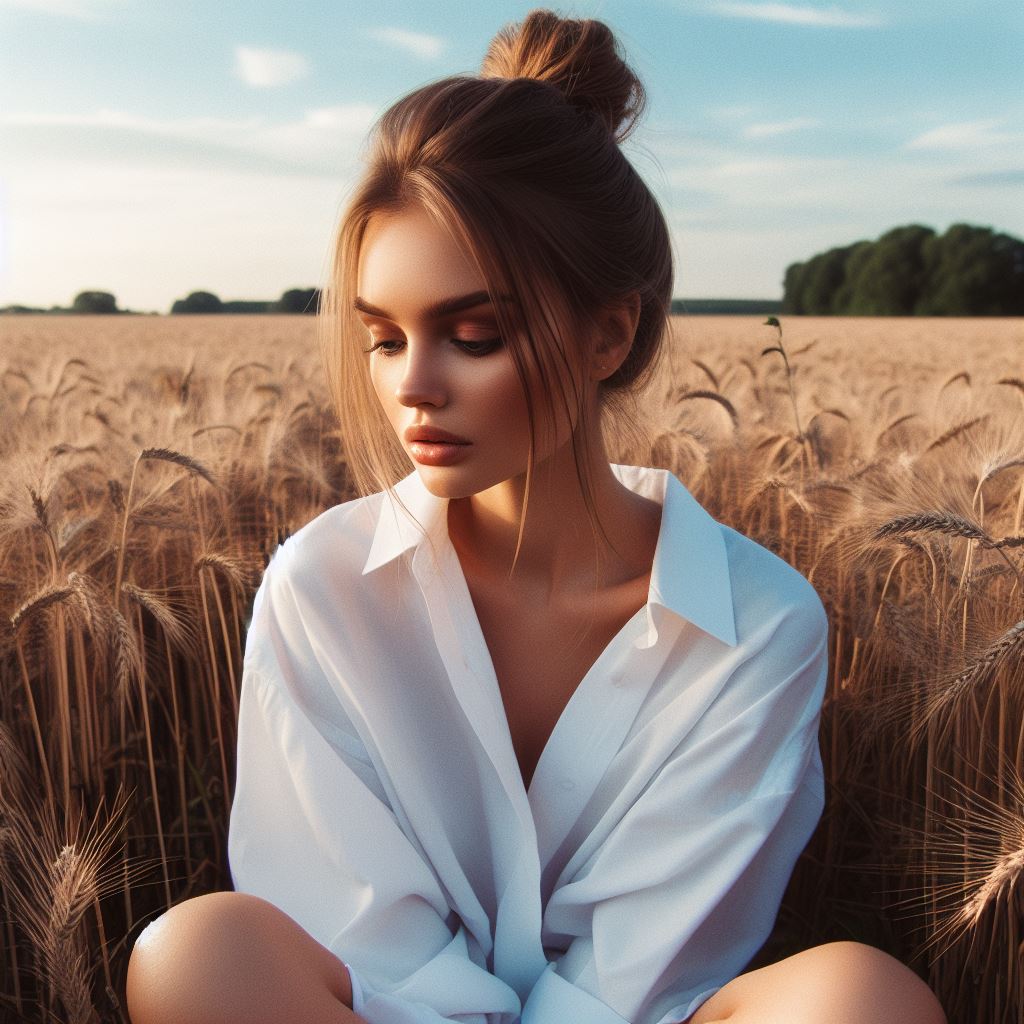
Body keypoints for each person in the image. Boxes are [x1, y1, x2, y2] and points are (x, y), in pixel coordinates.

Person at [125, 9, 947, 1024]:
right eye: (384, 338)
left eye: (473, 334)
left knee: (863, 998)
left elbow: (637, 973)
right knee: (195, 953)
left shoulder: (760, 624)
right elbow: (350, 927)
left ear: (608, 334)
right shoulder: (321, 584)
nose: (413, 385)